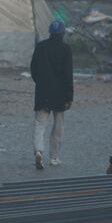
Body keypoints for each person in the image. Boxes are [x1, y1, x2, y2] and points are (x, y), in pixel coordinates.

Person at [30, 20, 74, 169]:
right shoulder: (66, 49)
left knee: (39, 125)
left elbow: (33, 69)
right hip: (60, 95)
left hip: (42, 92)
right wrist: (69, 96)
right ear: (62, 34)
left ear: (50, 32)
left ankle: (39, 152)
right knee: (58, 126)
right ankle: (54, 158)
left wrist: (41, 83)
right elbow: (68, 75)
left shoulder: (41, 47)